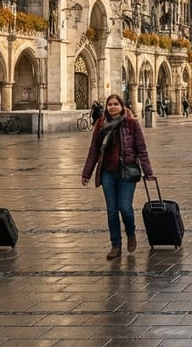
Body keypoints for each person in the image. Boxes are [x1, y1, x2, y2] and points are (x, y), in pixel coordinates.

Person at [81, 94, 155, 259]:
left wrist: (148, 172)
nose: (112, 107)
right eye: (109, 104)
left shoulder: (131, 123)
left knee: (125, 208)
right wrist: (87, 174)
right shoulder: (101, 124)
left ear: (122, 106)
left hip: (127, 171)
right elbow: (94, 149)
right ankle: (116, 245)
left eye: (115, 104)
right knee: (112, 211)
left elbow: (141, 148)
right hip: (108, 172)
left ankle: (130, 232)